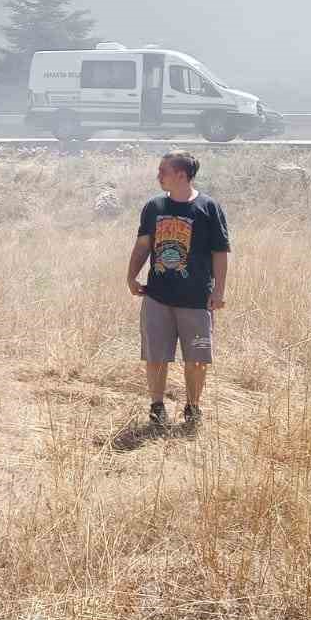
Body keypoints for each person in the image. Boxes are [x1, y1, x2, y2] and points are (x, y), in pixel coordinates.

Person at [126, 151, 230, 429]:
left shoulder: (209, 208)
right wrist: (131, 276)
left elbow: (220, 253)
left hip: (197, 301)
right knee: (155, 356)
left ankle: (192, 408)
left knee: (197, 359)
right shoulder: (153, 207)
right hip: (158, 298)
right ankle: (157, 407)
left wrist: (218, 292)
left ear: (181, 175)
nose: (158, 176)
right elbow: (142, 245)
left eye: (163, 171)